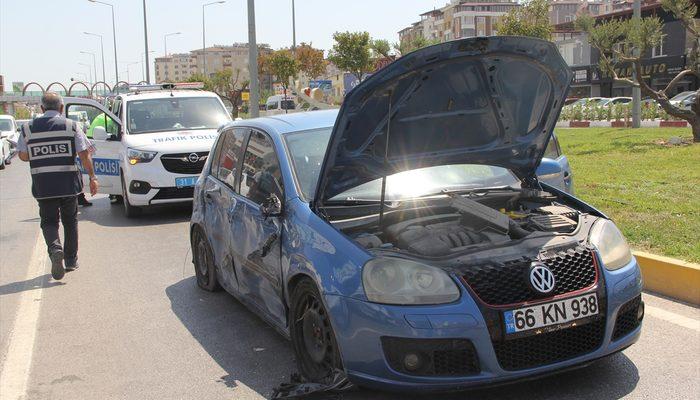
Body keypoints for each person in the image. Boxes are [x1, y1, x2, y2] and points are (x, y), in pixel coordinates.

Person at [17, 92, 99, 280]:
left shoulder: (28, 128)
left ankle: (55, 249)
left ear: (42, 109)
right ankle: (70, 260)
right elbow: (84, 154)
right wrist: (93, 177)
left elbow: (22, 155)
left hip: (43, 185)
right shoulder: (71, 126)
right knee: (70, 221)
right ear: (61, 108)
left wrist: (38, 153)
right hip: (68, 184)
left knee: (48, 221)